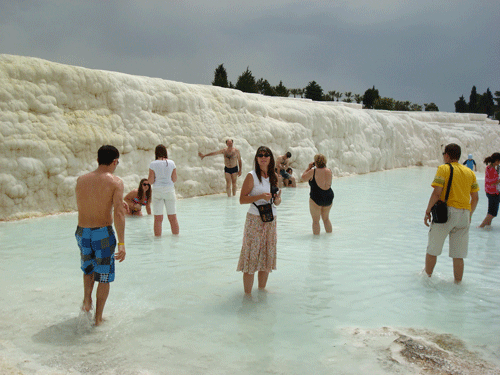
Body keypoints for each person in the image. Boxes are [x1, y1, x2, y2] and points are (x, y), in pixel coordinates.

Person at [74, 145, 126, 326]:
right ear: (114, 161)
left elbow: (90, 202)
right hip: (102, 233)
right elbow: (118, 214)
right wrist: (121, 243)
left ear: (97, 160)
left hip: (82, 232)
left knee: (88, 268)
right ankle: (98, 319)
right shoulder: (115, 182)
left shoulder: (81, 180)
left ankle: (87, 300)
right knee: (103, 276)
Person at [424, 143, 479, 283]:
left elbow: (437, 193)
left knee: (433, 250)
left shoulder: (443, 169)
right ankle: (458, 284)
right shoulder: (470, 172)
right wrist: (470, 214)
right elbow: (475, 198)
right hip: (464, 215)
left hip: (446, 214)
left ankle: (426, 279)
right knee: (458, 255)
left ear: (447, 155)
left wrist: (428, 211)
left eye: (443, 154)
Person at [237, 146, 282, 295]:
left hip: (270, 220)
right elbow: (242, 199)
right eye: (260, 155)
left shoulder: (274, 176)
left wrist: (277, 199)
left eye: (266, 155)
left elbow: (277, 202)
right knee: (251, 256)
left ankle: (262, 292)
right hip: (254, 220)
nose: (263, 157)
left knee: (266, 256)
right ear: (256, 158)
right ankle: (247, 296)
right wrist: (260, 196)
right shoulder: (252, 176)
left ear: (270, 158)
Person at [148, 144, 179, 236]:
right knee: (173, 217)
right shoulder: (172, 163)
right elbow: (174, 179)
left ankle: (157, 242)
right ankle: (176, 239)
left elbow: (151, 181)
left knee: (158, 218)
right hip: (169, 190)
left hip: (157, 191)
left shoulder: (153, 164)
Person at [301, 154, 334, 235]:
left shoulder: (313, 171)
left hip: (316, 197)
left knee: (316, 221)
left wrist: (308, 168)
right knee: (326, 219)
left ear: (315, 162)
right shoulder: (329, 171)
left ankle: (316, 243)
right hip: (329, 196)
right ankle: (329, 239)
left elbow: (302, 178)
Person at [478, 153, 500, 228]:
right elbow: (491, 182)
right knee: (492, 213)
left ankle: (487, 226)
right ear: (496, 161)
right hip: (493, 193)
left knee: (491, 211)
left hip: (490, 192)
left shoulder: (490, 168)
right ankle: (481, 226)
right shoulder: (491, 169)